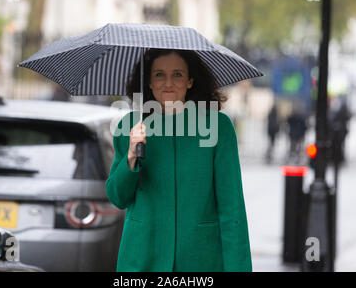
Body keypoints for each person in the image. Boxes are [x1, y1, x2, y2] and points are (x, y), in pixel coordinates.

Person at [105, 48, 252, 272]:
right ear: (149, 82)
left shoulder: (218, 127)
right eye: (159, 75)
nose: (168, 83)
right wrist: (132, 155)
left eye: (177, 74)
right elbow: (117, 197)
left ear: (190, 81)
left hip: (200, 261)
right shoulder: (130, 126)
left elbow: (232, 208)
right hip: (143, 258)